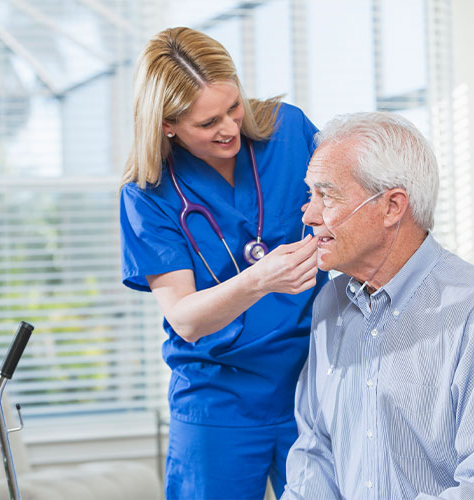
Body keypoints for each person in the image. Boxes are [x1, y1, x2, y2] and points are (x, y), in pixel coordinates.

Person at [119, 27, 328, 500]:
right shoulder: (147, 194)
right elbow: (186, 319)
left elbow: (347, 211)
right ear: (167, 125)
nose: (230, 128)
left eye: (233, 107)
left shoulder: (289, 131)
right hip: (218, 400)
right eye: (207, 122)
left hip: (314, 383)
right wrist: (258, 280)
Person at [282, 111, 474, 499]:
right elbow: (315, 451)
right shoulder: (330, 302)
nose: (308, 214)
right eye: (311, 195)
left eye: (326, 195)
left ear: (392, 206)